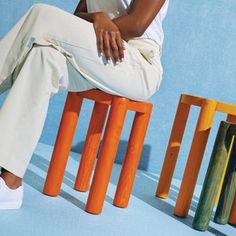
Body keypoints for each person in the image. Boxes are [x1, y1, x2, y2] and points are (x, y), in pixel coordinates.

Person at [0, 0, 169, 209]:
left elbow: (136, 25)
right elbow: (78, 15)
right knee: (44, 57)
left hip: (138, 63)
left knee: (41, 15)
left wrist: (102, 24)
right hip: (98, 53)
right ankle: (10, 183)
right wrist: (98, 18)